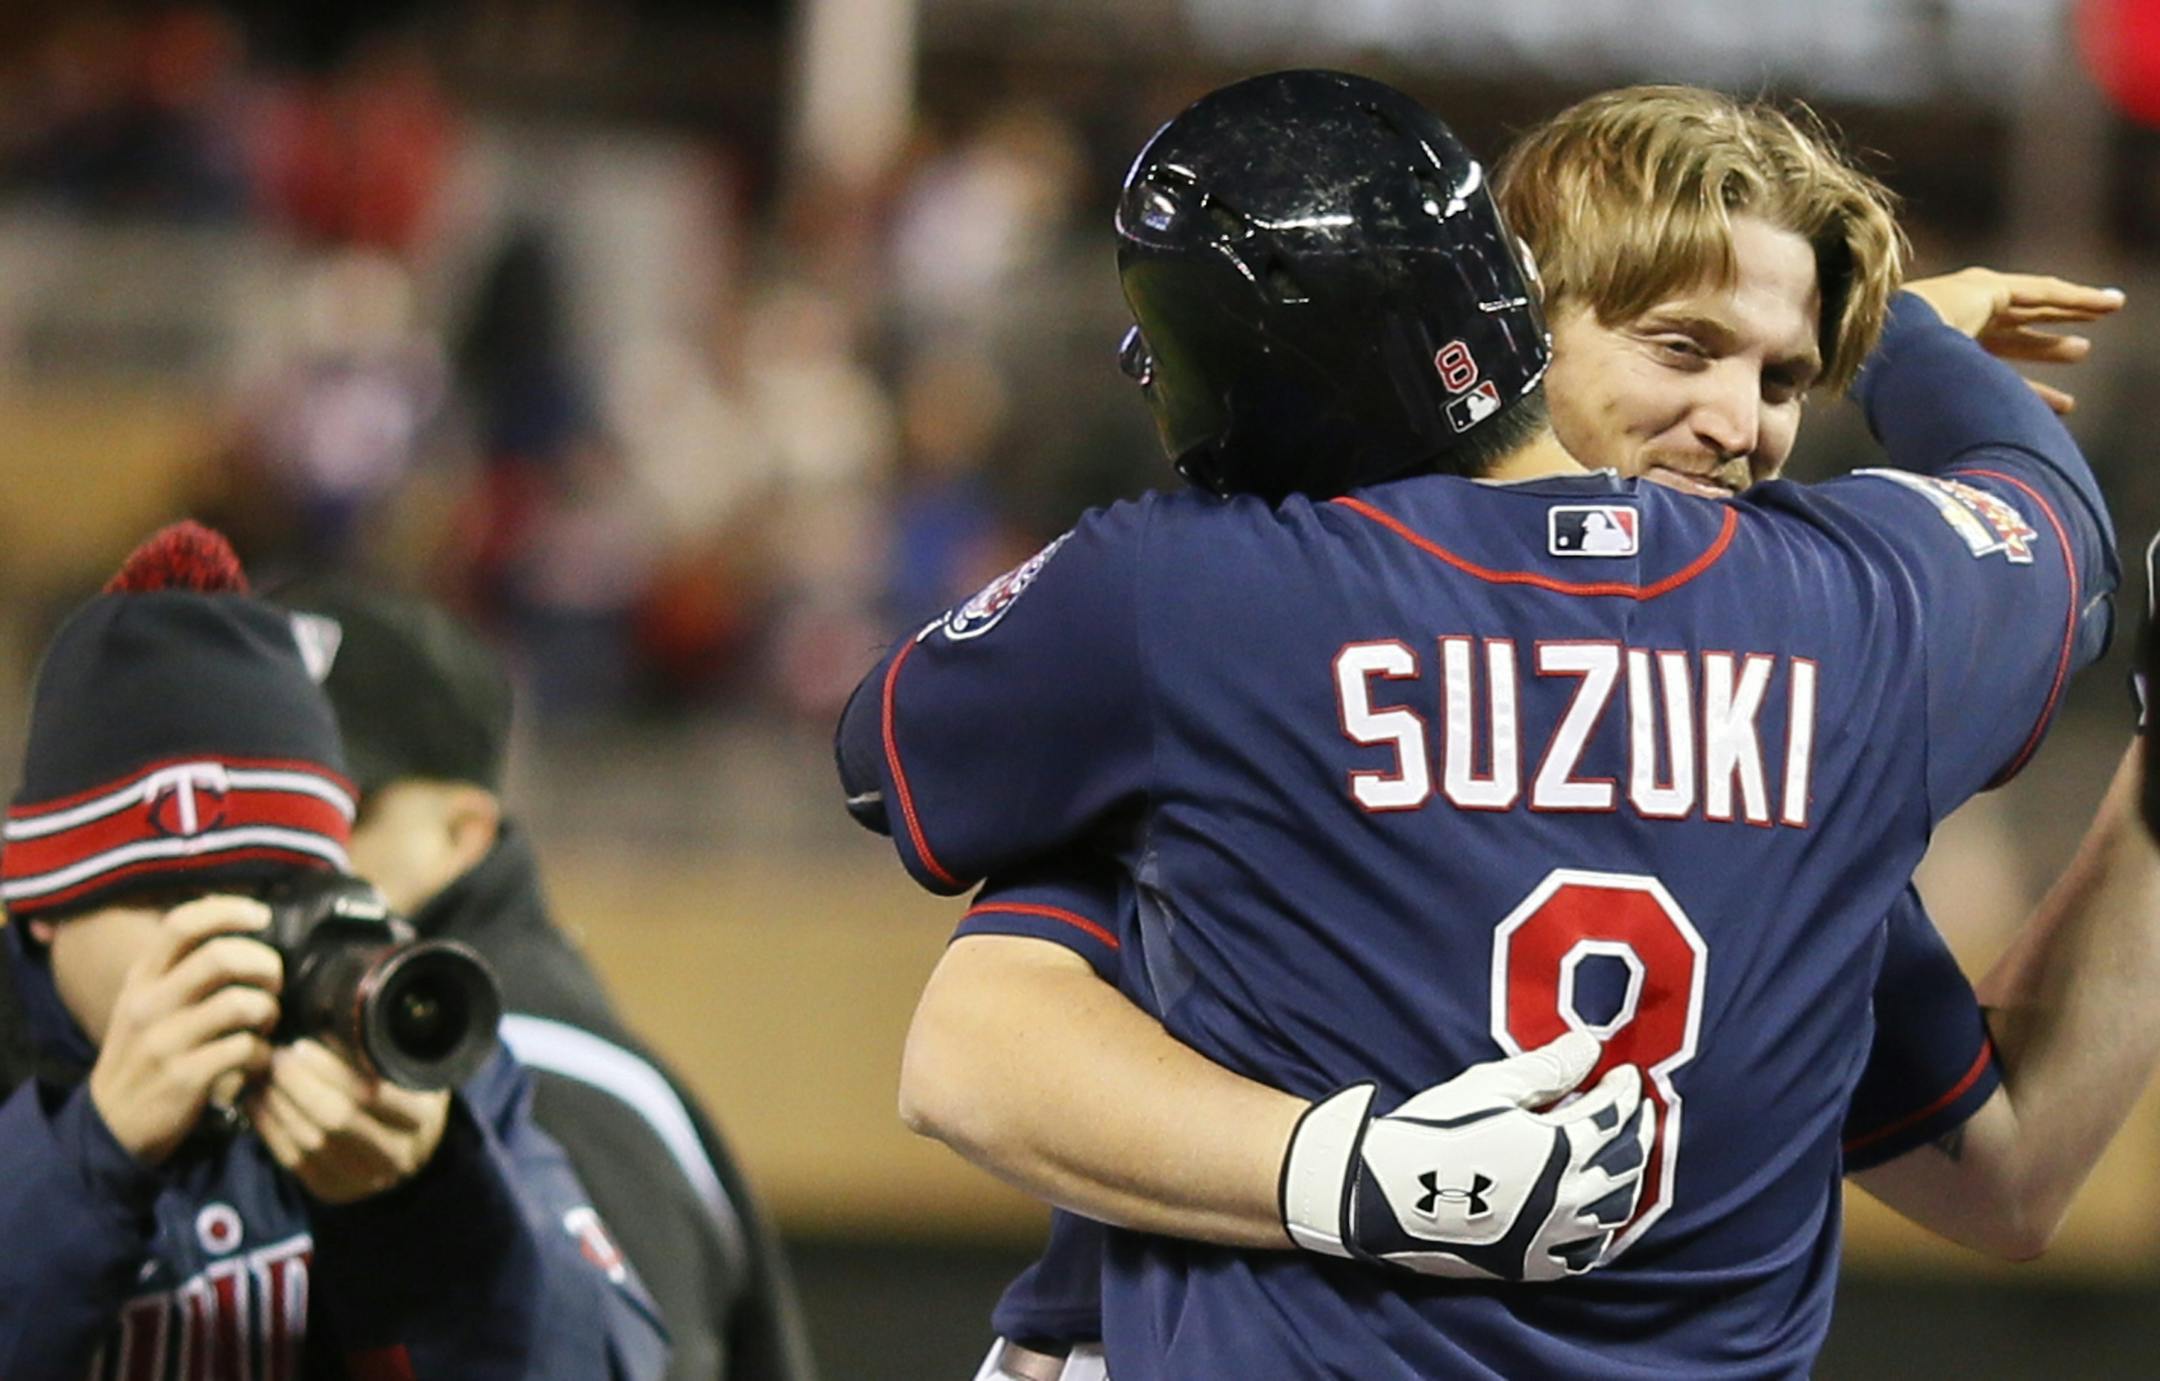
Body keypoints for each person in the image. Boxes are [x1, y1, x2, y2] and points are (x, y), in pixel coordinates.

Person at [839, 71, 2118, 1376]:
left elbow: (957, 1016)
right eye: (1678, 347)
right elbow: (2056, 520)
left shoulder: (1209, 605)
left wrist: (1329, 1178)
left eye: (1791, 375)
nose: (1739, 424)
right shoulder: (1849, 641)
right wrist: (1902, 339)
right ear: (1516, 319)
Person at [0, 521, 668, 1378]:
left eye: (278, 895)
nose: (228, 939)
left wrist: (432, 1204)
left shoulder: (413, 1069)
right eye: (168, 897)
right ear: (45, 906)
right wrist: (94, 1155)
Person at [268, 577, 818, 1381]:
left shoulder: (551, 1087)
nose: (291, 849)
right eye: (267, 804)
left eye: (335, 811)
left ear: (463, 833)